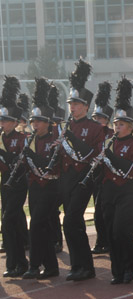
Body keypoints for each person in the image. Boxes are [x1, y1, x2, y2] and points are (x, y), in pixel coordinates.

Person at [57, 59, 105, 281]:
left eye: (76, 103)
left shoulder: (95, 128)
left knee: (72, 219)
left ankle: (85, 266)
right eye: (70, 103)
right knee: (72, 222)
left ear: (86, 106)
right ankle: (79, 266)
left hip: (85, 178)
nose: (72, 107)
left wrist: (72, 140)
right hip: (67, 177)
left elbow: (93, 155)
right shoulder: (68, 126)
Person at [100, 76, 133, 284]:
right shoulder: (109, 144)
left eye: (121, 124)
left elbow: (132, 170)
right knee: (110, 233)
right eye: (116, 123)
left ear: (131, 126)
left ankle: (132, 257)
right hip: (109, 191)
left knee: (120, 231)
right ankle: (118, 270)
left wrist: (110, 157)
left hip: (129, 192)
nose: (116, 127)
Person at [22, 78, 61, 279]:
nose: (34, 125)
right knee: (42, 227)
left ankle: (34, 265)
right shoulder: (30, 140)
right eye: (33, 121)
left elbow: (51, 164)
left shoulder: (54, 139)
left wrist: (31, 156)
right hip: (35, 187)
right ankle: (51, 267)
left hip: (51, 187)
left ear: (47, 123)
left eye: (38, 121)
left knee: (36, 224)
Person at [0, 76, 29, 278]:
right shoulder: (1, 138)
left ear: (13, 122)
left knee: (8, 220)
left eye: (5, 121)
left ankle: (19, 261)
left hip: (18, 183)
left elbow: (23, 162)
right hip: (5, 184)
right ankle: (16, 262)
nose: (2, 124)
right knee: (14, 221)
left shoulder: (21, 139)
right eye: (1, 120)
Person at [90, 81, 114, 255]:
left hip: (110, 178)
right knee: (98, 211)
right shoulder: (90, 134)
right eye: (95, 118)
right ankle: (101, 240)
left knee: (103, 211)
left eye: (100, 118)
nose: (97, 121)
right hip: (95, 176)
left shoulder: (112, 135)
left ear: (107, 120)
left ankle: (106, 240)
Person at [47, 83, 64, 254]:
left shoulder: (61, 133)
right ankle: (54, 240)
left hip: (61, 177)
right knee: (51, 210)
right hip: (47, 178)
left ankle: (57, 240)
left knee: (54, 210)